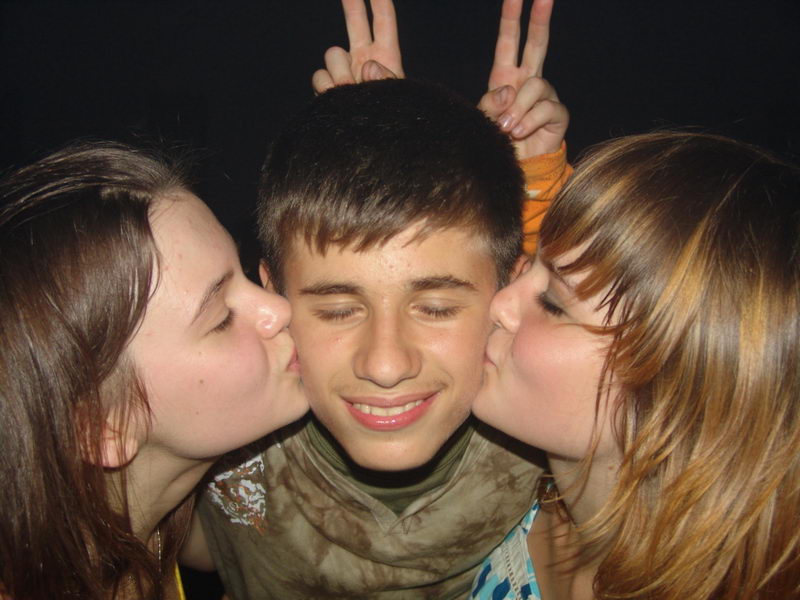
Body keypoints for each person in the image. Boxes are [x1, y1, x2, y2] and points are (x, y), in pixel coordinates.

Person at [184, 0, 571, 597]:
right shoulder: (228, 430)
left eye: (437, 308)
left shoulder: (546, 434)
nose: (386, 365)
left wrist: (537, 202)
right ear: (271, 298)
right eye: (337, 310)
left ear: (509, 297)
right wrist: (359, 152)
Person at [471, 131, 800, 599]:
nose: (500, 302)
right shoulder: (540, 502)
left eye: (552, 304)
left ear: (675, 390)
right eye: (530, 264)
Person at [0, 141, 307, 600]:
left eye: (244, 272)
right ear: (103, 427)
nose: (280, 308)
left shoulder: (159, 532)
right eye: (221, 318)